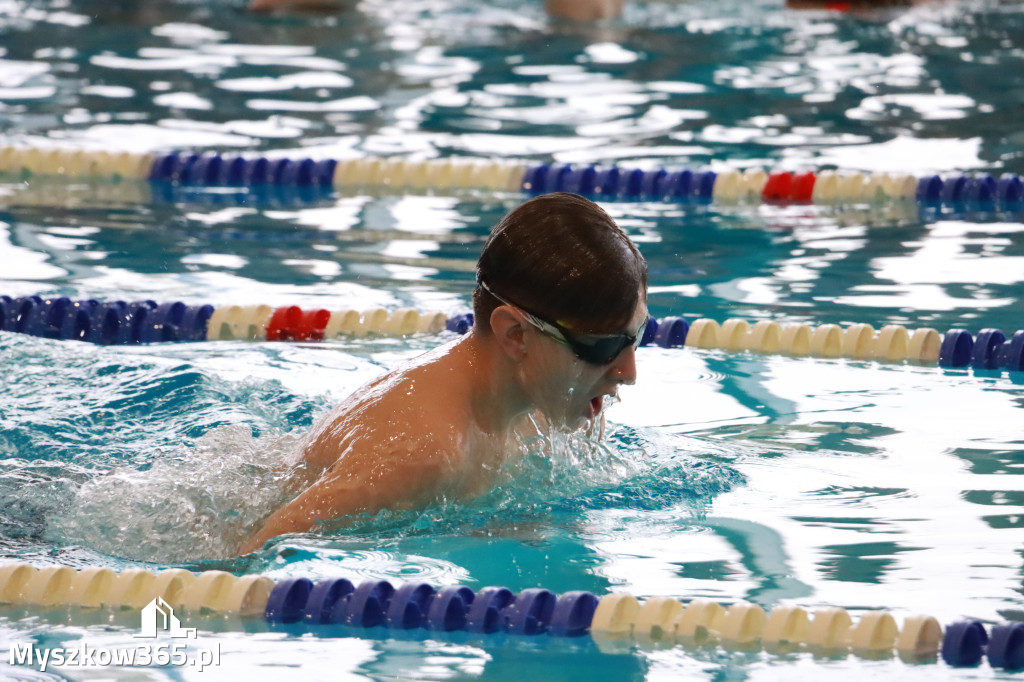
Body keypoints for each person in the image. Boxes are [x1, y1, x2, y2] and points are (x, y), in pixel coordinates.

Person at [239, 192, 648, 553]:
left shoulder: (554, 402)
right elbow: (250, 559)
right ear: (516, 335)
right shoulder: (419, 455)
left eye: (636, 336)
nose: (628, 372)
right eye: (603, 346)